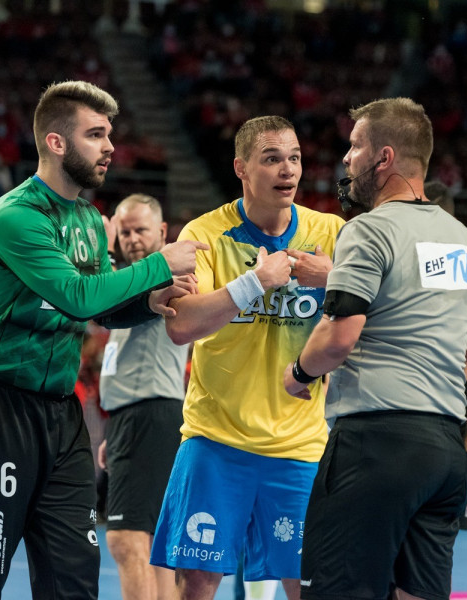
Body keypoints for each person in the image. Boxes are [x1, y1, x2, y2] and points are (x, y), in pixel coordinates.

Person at [0, 81, 206, 600]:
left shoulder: (87, 217)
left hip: (62, 416)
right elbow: (76, 297)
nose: (110, 146)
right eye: (96, 135)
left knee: (74, 575)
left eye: (109, 134)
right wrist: (159, 264)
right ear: (57, 142)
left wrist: (147, 303)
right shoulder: (16, 216)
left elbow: (103, 308)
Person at [282, 97, 467, 600]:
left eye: (355, 146)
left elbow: (339, 338)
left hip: (375, 445)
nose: (346, 158)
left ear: (384, 157)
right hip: (446, 452)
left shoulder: (368, 229)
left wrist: (298, 372)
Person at [149, 115, 345, 600]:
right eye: (272, 159)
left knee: (310, 584)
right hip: (216, 440)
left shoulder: (331, 233)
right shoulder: (205, 234)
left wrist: (337, 277)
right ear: (241, 167)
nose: (288, 170)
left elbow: (382, 304)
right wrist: (253, 283)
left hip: (300, 446)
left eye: (294, 158)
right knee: (196, 584)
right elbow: (180, 325)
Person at [96, 194, 187, 600]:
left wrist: (101, 252)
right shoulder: (132, 278)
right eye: (125, 232)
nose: (132, 239)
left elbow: (99, 299)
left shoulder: (164, 275)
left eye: (141, 230)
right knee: (153, 543)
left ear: (163, 232)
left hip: (149, 412)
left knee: (127, 538)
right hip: (133, 415)